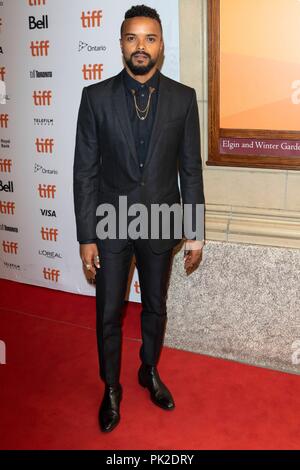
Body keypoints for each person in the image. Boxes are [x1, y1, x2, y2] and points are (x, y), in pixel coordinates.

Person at [73, 4, 205, 433]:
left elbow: (190, 170)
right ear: (121, 45)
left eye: (149, 38)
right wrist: (86, 235)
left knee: (155, 306)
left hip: (163, 221)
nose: (141, 46)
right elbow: (85, 170)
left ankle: (148, 370)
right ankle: (111, 387)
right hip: (110, 222)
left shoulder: (184, 99)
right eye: (132, 38)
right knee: (108, 312)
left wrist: (195, 230)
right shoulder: (95, 98)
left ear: (161, 45)